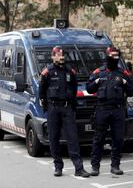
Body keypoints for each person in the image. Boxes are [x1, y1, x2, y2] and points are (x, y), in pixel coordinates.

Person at [39, 46, 90, 178]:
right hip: (53, 108)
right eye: (57, 54)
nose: (60, 57)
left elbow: (74, 88)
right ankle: (58, 166)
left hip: (67, 108)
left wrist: (72, 105)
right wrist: (45, 105)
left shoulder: (70, 72)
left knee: (72, 138)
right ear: (52, 56)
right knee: (53, 138)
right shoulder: (47, 72)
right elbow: (42, 91)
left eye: (62, 55)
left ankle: (79, 168)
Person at [86, 46, 133, 176]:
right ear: (107, 57)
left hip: (118, 110)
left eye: (116, 56)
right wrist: (96, 81)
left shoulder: (122, 73)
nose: (114, 59)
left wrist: (125, 82)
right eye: (112, 56)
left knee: (118, 139)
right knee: (98, 139)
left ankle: (115, 166)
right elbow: (89, 89)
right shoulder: (98, 72)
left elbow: (131, 91)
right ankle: (95, 167)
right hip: (102, 110)